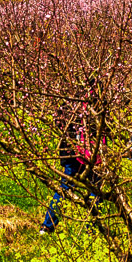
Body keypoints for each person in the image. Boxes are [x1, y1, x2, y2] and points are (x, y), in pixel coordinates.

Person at [40, 95, 102, 234]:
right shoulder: (96, 104)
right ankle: (91, 229)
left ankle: (47, 226)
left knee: (65, 188)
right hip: (85, 156)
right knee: (95, 191)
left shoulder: (69, 101)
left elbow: (58, 123)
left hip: (73, 155)